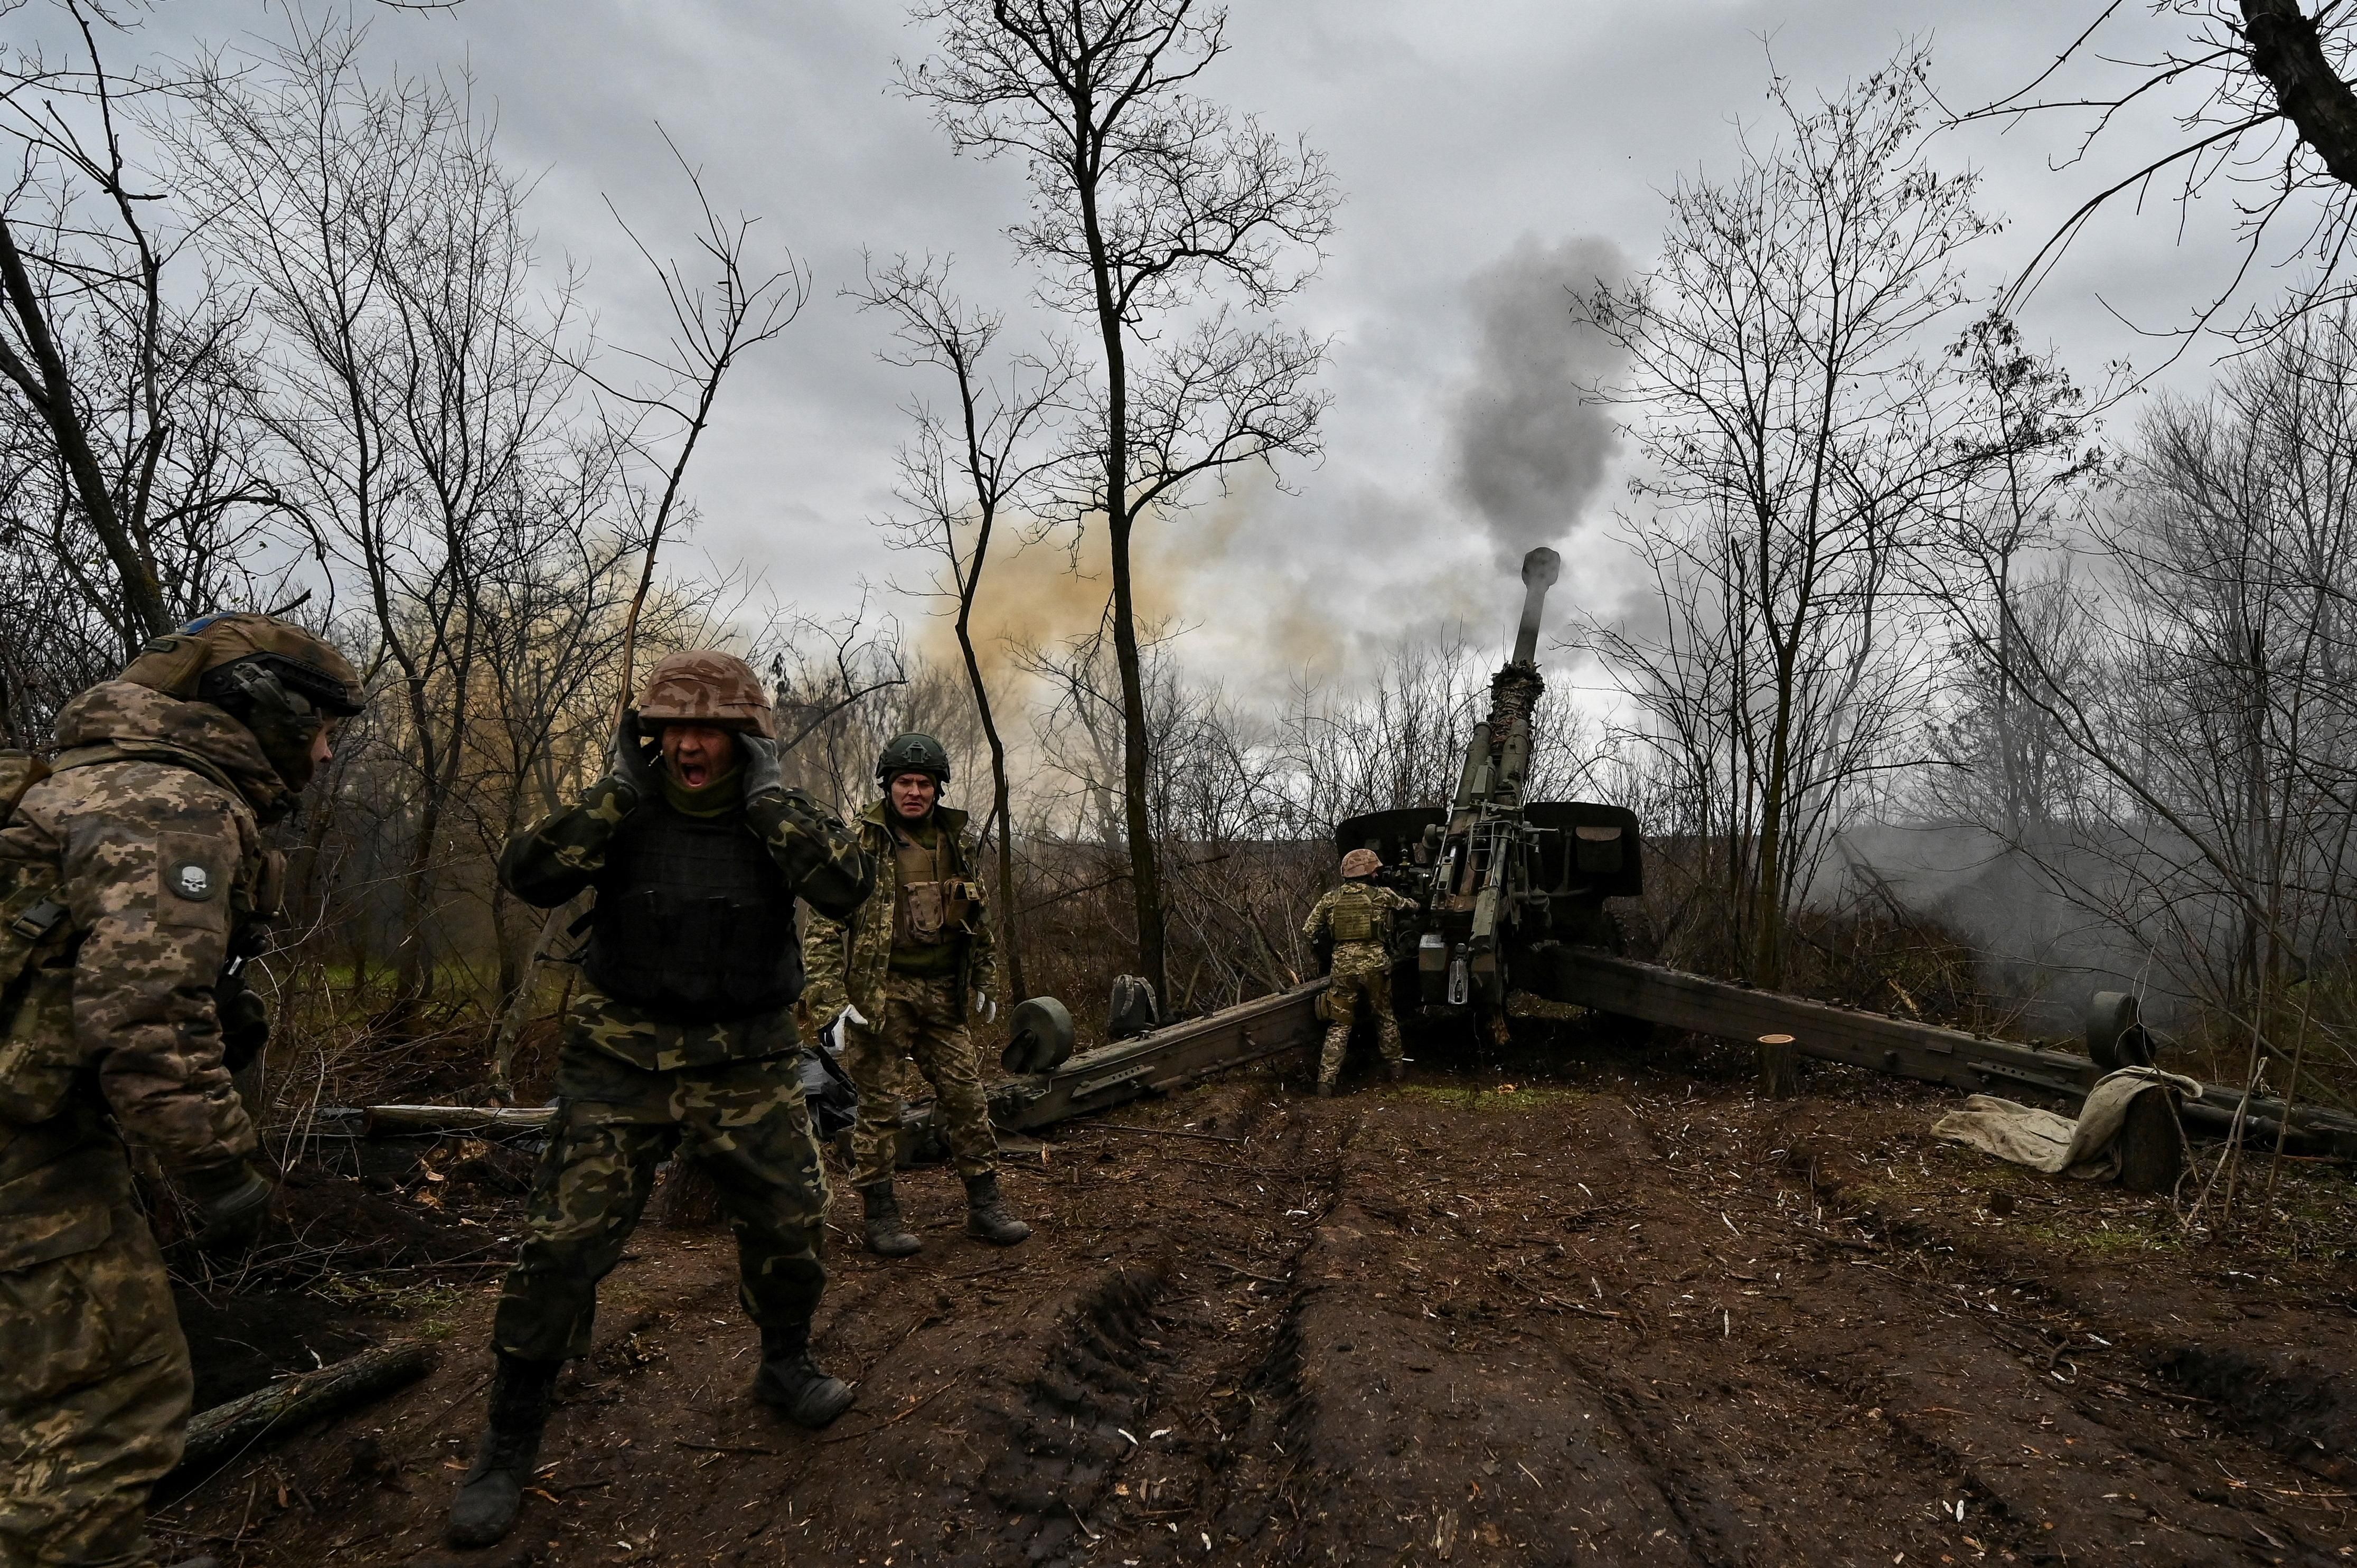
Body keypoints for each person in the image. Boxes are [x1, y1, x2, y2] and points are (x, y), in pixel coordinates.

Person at [446, 652, 875, 1551]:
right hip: (621, 1056)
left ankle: (784, 1363)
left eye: (709, 728)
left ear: (742, 738)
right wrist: (613, 791)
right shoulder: (620, 808)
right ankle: (509, 1436)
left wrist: (769, 802)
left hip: (748, 1055)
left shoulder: (773, 815)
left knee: (793, 1215)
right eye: (672, 727)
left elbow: (848, 887)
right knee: (562, 1241)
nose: (688, 743)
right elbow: (529, 873)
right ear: (649, 734)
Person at [1, 613, 364, 1568]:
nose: (326, 752)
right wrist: (227, 1175)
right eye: (322, 725)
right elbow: (148, 1019)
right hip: (24, 1155)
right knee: (109, 1393)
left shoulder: (78, 777)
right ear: (263, 706)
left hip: (36, 1127)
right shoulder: (170, 802)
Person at [802, 733, 1029, 1257]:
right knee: (879, 1109)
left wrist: (984, 977)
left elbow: (979, 913)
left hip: (943, 992)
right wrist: (831, 1004)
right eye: (904, 781)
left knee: (968, 1100)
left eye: (923, 783)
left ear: (936, 789)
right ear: (888, 784)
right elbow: (822, 927)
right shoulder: (862, 841)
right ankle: (880, 1215)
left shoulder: (955, 840)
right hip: (881, 995)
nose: (913, 791)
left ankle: (985, 1205)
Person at [1302, 848, 1418, 1097]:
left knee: (1339, 1025)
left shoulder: (1330, 899)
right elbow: (1411, 907)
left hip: (1343, 969)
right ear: (1369, 872)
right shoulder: (1383, 896)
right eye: (1375, 869)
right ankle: (1396, 1070)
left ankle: (1326, 1083)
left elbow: (1308, 930)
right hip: (1375, 966)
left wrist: (1326, 951)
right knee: (1384, 1016)